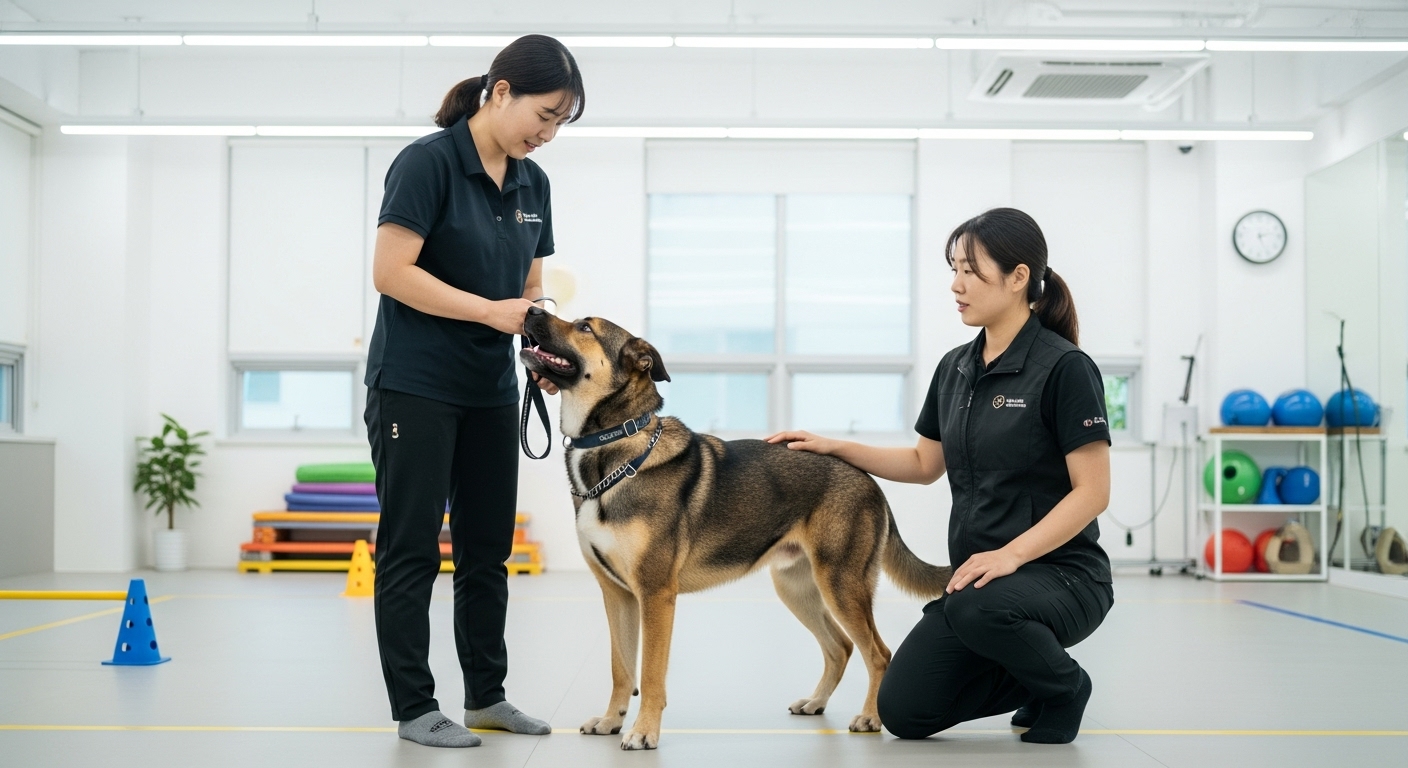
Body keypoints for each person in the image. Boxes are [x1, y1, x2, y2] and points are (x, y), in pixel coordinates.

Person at [767, 207, 1113, 745]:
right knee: (904, 711)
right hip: (979, 584)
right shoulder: (956, 367)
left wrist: (1009, 556)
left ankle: (1066, 687)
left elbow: (1093, 493)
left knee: (978, 608)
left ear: (1019, 277)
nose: (956, 285)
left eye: (971, 271)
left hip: (1061, 577)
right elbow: (925, 465)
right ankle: (1032, 680)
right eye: (953, 269)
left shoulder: (1065, 368)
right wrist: (835, 448)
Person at [363, 35, 583, 748]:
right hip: (415, 386)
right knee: (411, 549)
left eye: (558, 125)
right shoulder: (427, 164)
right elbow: (391, 273)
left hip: (490, 388)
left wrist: (537, 340)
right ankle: (415, 707)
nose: (546, 135)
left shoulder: (533, 183)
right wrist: (491, 313)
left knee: (487, 551)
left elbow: (527, 285)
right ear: (500, 91)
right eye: (543, 115)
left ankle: (487, 696)